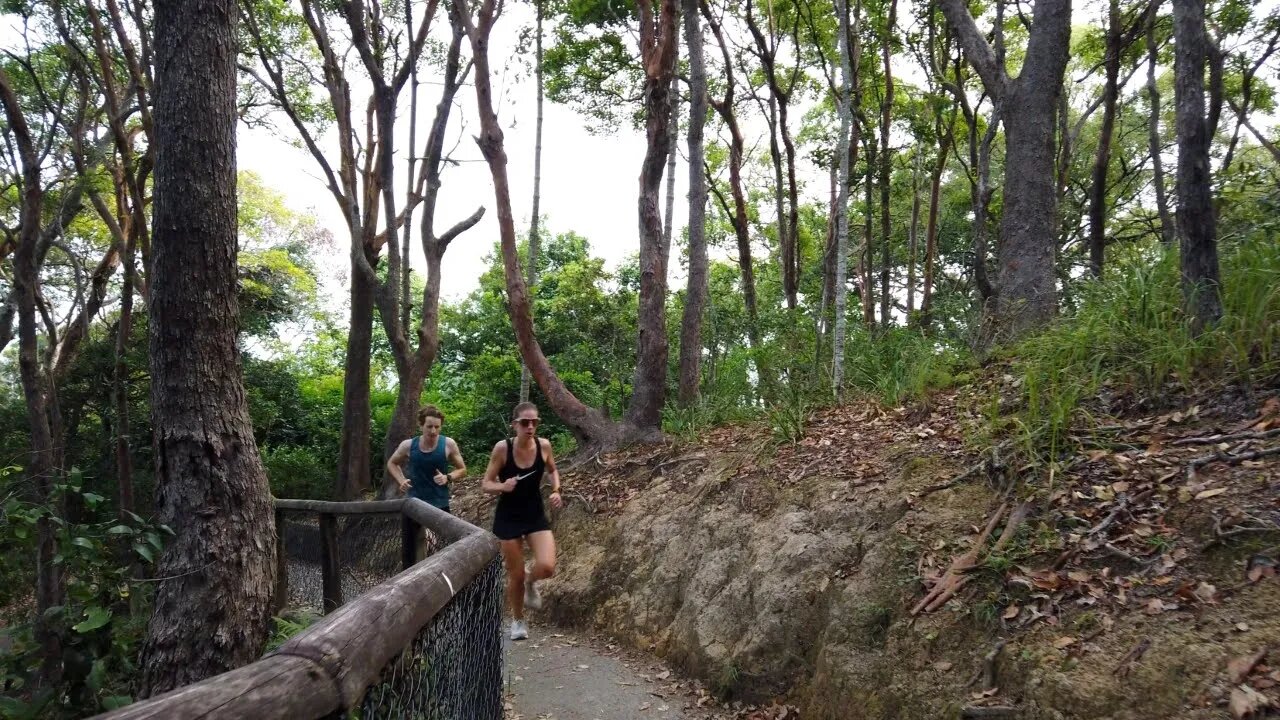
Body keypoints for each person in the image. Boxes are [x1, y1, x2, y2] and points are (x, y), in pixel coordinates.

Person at [481, 401, 563, 641]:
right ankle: (517, 620)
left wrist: (556, 490)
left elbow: (552, 469)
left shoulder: (544, 446)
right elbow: (485, 484)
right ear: (514, 424)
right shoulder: (502, 449)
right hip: (508, 517)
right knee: (514, 574)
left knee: (547, 566)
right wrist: (502, 486)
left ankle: (531, 580)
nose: (530, 427)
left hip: (534, 513)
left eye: (534, 422)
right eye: (525, 422)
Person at [387, 406, 467, 557]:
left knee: (442, 551)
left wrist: (447, 477)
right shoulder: (409, 445)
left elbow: (462, 469)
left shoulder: (448, 444)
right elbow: (392, 463)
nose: (433, 431)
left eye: (437, 427)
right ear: (421, 426)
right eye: (429, 426)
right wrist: (401, 480)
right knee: (410, 554)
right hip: (414, 505)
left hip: (439, 504)